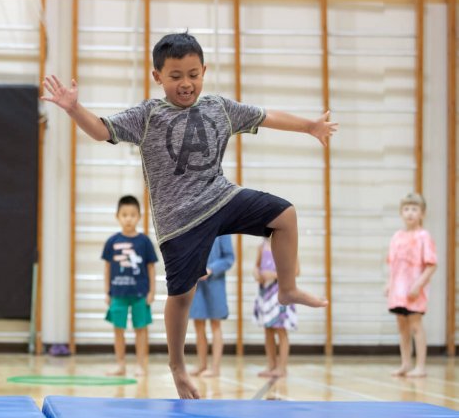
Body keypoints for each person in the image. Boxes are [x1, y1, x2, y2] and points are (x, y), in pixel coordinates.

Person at [42, 31, 337, 399]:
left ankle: (287, 288)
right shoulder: (148, 114)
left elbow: (267, 114)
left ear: (204, 71)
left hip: (219, 196)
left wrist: (309, 126)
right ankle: (178, 367)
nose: (186, 84)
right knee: (181, 295)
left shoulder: (219, 107)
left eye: (193, 74)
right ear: (157, 77)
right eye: (176, 76)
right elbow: (102, 130)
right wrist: (74, 109)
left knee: (285, 215)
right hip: (179, 220)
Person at [102, 195, 158, 377]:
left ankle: (141, 365)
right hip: (118, 293)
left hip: (140, 293)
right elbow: (107, 268)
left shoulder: (144, 242)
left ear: (139, 216)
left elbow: (151, 267)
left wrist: (152, 291)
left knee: (141, 330)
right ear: (117, 216)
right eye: (124, 214)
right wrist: (107, 291)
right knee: (118, 329)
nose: (128, 218)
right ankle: (121, 365)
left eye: (132, 214)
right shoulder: (112, 242)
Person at [386, 192, 437, 378]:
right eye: (406, 209)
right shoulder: (397, 236)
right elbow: (392, 264)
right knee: (402, 327)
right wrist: (388, 284)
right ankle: (405, 363)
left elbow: (432, 265)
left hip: (414, 290)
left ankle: (421, 366)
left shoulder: (424, 236)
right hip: (398, 290)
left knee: (416, 325)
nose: (410, 213)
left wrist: (418, 285)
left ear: (422, 213)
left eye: (414, 209)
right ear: (401, 212)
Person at [189, 234, 234, 377]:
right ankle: (202, 365)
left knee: (216, 324)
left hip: (215, 283)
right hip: (196, 283)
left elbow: (229, 258)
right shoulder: (194, 225)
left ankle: (215, 368)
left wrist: (211, 270)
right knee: (198, 324)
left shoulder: (224, 230)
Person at [252, 238, 297, 378]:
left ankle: (282, 367)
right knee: (268, 330)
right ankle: (271, 365)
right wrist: (256, 273)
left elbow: (296, 270)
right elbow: (257, 265)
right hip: (265, 292)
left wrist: (275, 275)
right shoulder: (262, 246)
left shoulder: (287, 244)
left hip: (280, 292)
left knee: (281, 330)